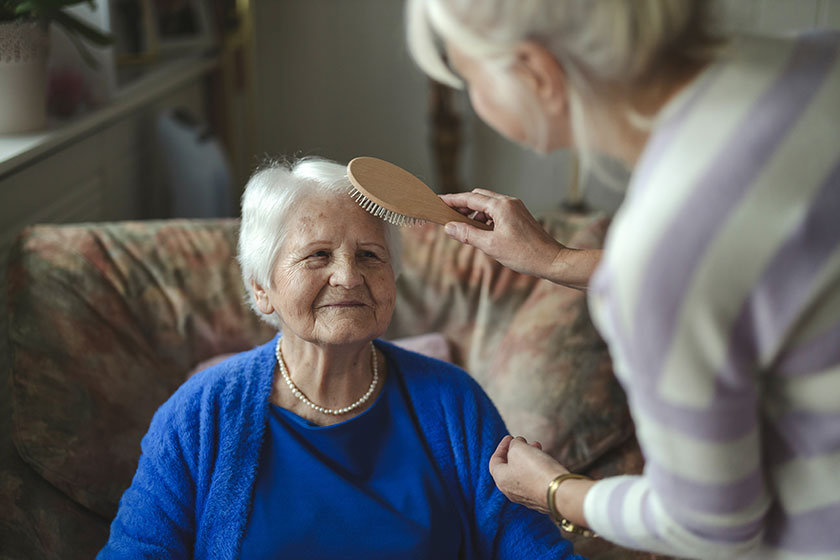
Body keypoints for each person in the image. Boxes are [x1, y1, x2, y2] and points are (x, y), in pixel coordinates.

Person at [406, 0, 840, 558]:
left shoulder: (665, 247)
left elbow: (711, 525)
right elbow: (762, 277)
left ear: (536, 74)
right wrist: (557, 261)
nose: (473, 95)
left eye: (467, 76)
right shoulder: (817, 60)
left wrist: (556, 491)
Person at [98, 157, 584, 559]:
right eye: (317, 256)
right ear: (261, 288)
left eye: (371, 255)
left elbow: (536, 552)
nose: (349, 277)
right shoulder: (199, 416)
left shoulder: (451, 402)